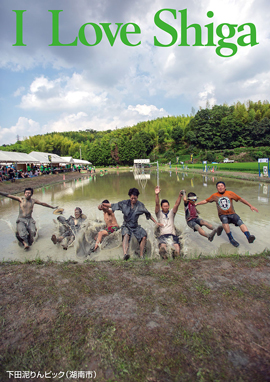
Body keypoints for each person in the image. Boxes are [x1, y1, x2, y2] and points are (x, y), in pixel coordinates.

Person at [101, 188, 162, 260]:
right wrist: (103, 204)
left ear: (137, 197)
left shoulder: (140, 205)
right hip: (126, 225)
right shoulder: (124, 203)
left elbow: (148, 214)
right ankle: (125, 254)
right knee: (126, 235)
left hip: (135, 226)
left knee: (144, 235)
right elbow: (113, 205)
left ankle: (141, 255)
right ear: (130, 197)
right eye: (132, 198)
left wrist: (156, 222)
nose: (133, 200)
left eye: (135, 198)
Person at [195, 181, 258, 247]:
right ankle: (231, 239)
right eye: (218, 186)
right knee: (225, 221)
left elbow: (240, 199)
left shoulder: (230, 193)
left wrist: (250, 205)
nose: (220, 187)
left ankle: (248, 236)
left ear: (225, 187)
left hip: (232, 213)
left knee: (240, 222)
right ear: (217, 188)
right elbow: (206, 201)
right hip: (223, 215)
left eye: (222, 186)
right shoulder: (214, 195)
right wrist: (197, 203)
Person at [155, 186, 182, 259]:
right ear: (161, 207)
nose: (166, 207)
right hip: (163, 234)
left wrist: (180, 196)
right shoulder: (158, 213)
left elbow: (177, 204)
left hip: (172, 234)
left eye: (167, 206)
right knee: (163, 245)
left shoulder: (172, 213)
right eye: (164, 206)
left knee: (176, 245)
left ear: (169, 206)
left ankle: (176, 254)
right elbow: (157, 204)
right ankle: (164, 256)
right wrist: (157, 194)